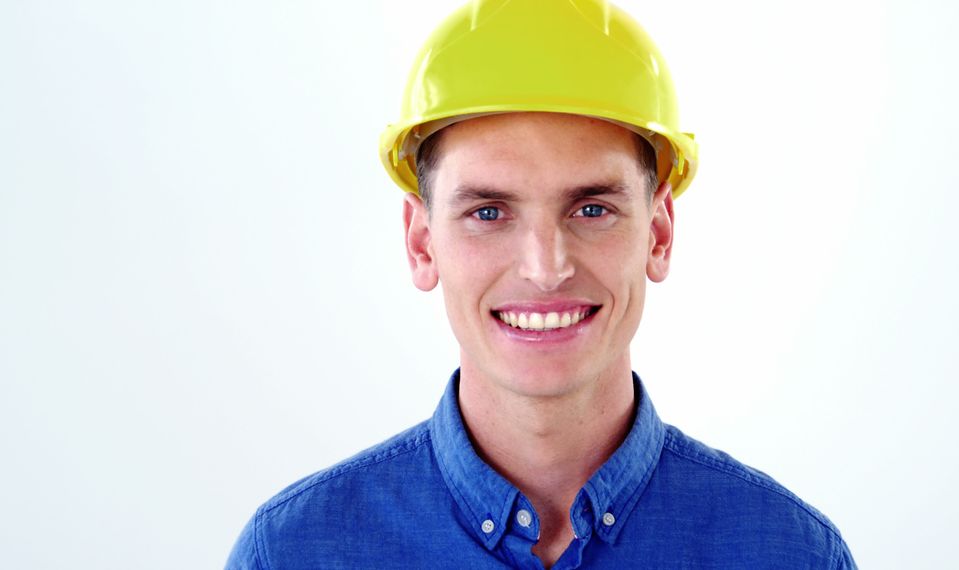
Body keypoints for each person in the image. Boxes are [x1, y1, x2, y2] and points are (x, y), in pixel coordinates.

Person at [227, 1, 856, 568]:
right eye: (488, 213)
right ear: (422, 242)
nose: (545, 267)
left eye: (590, 209)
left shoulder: (793, 554)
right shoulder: (291, 553)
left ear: (658, 234)